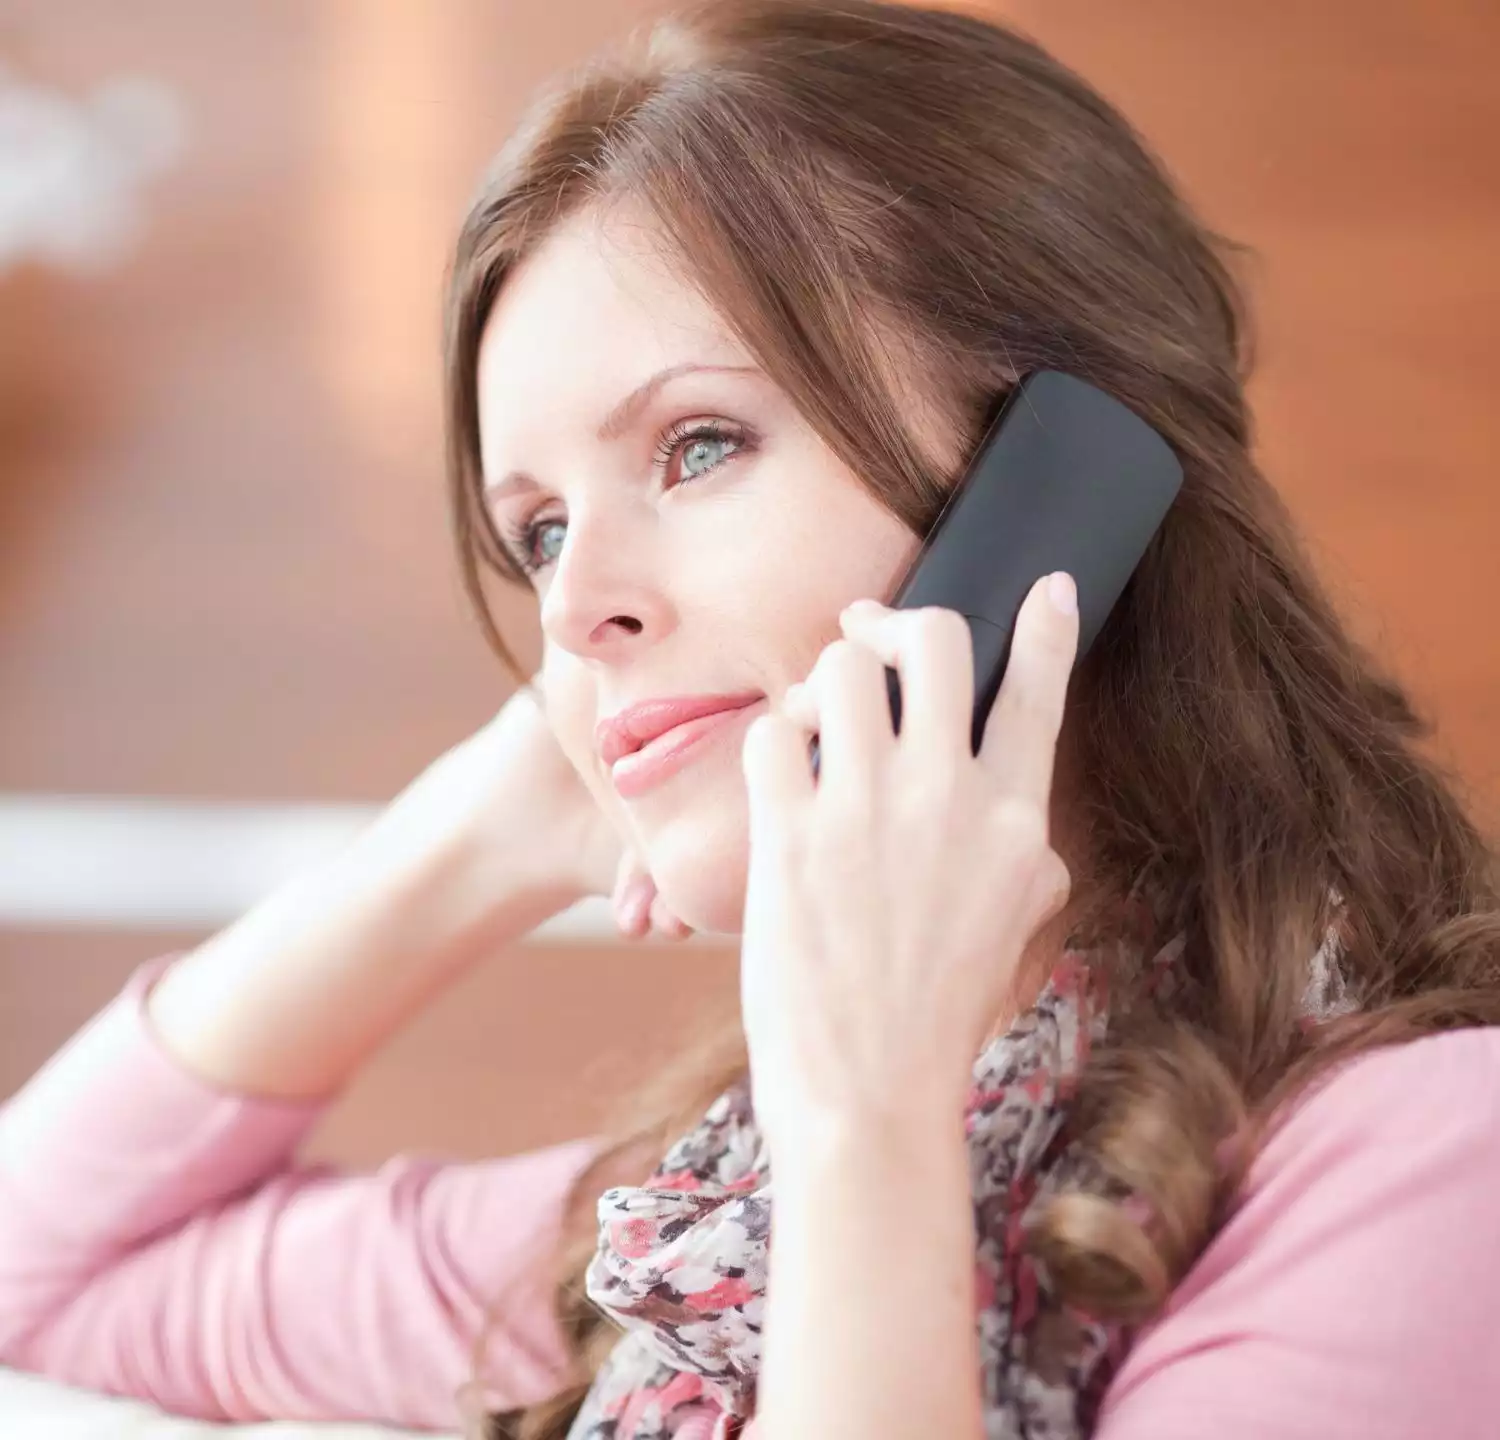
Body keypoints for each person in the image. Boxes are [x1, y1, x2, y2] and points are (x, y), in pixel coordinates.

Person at [3, 2, 1499, 1437]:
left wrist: (870, 1124)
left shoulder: (1433, 1169)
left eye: (698, 443)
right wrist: (477, 832)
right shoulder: (700, 1241)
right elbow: (32, 1285)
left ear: (1064, 483)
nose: (575, 610)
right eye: (535, 534)